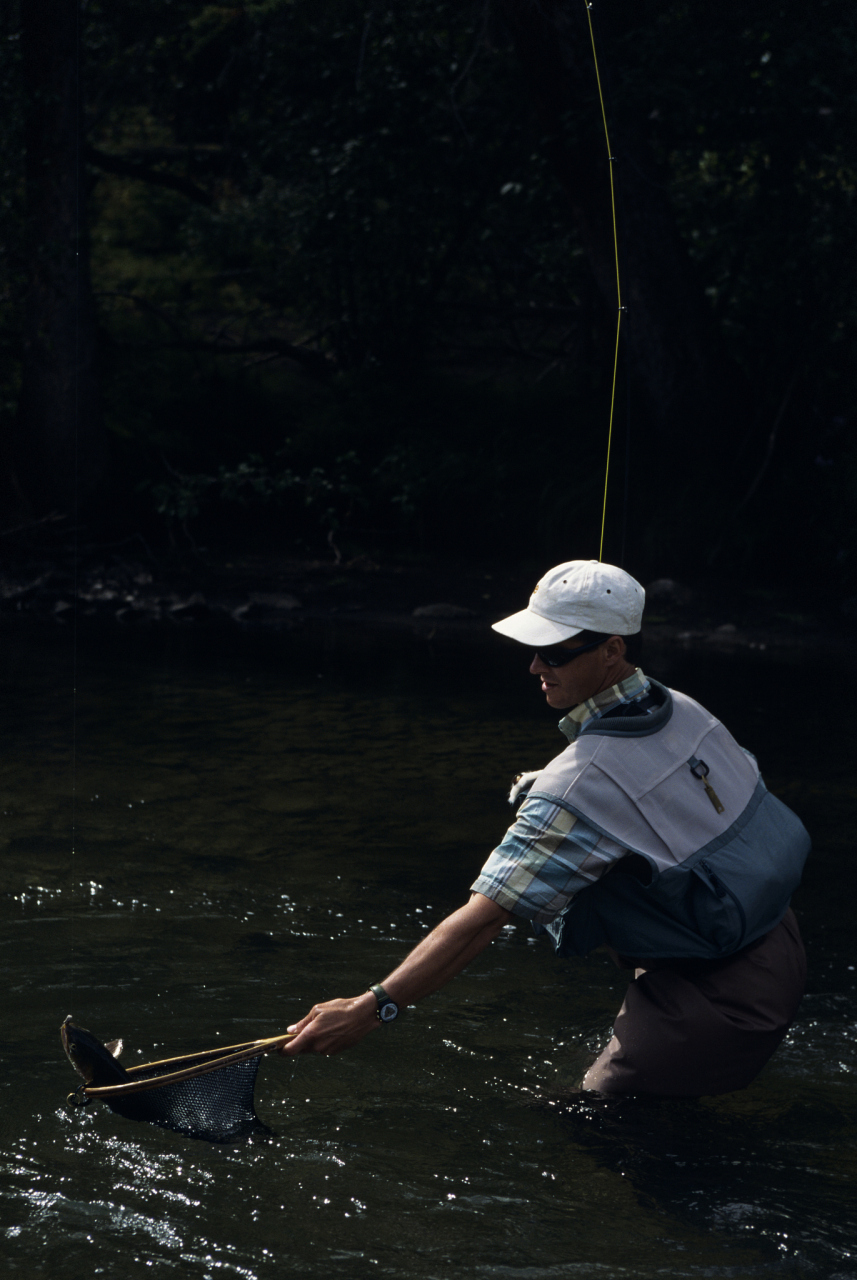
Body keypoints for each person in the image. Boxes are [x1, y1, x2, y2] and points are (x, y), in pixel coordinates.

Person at [282, 560, 809, 1096]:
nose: (535, 666)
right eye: (534, 649)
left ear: (613, 650)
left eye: (556, 653)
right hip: (780, 944)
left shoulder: (578, 785)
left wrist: (372, 1007)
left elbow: (482, 920)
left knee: (596, 1129)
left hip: (718, 997)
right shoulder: (686, 711)